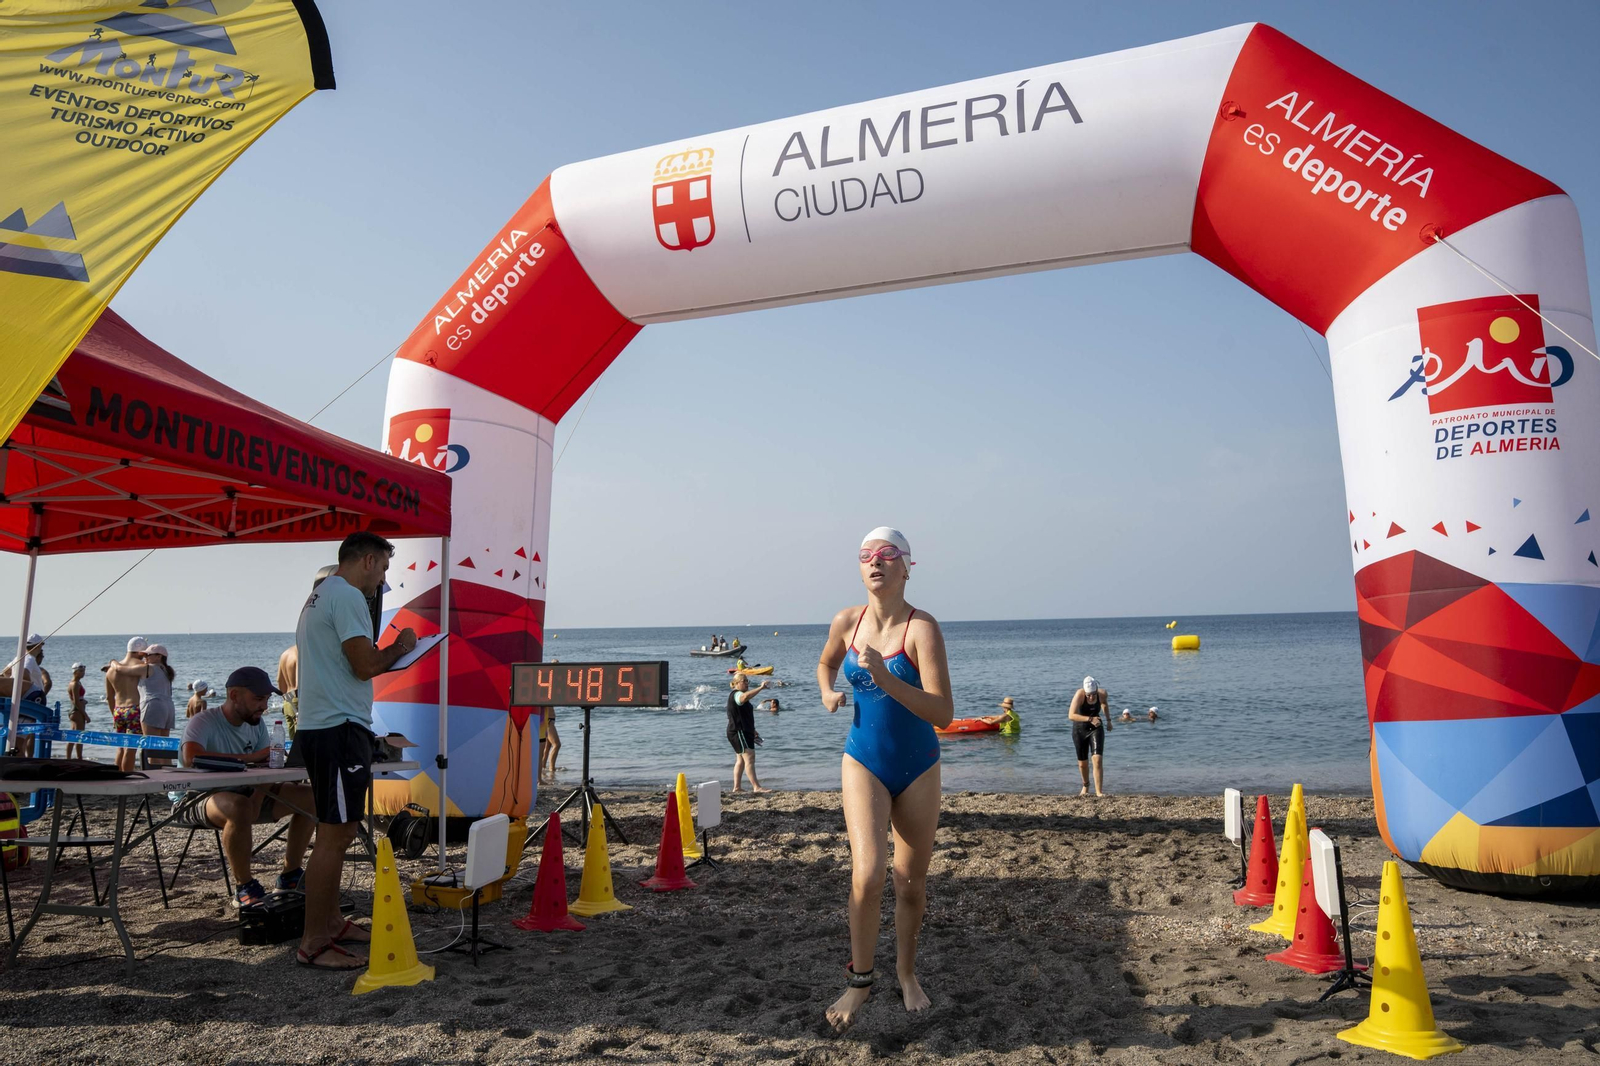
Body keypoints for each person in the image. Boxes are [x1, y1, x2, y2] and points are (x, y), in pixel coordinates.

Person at [816, 527, 952, 1031]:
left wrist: (886, 677)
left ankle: (907, 972)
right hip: (863, 760)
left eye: (887, 554)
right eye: (866, 555)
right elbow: (826, 662)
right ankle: (860, 983)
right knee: (868, 874)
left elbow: (942, 712)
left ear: (906, 567)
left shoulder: (922, 629)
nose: (875, 561)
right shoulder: (847, 622)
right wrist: (829, 691)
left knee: (910, 884)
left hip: (918, 766)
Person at [293, 532, 416, 971]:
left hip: (323, 725)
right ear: (367, 560)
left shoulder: (321, 593)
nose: (382, 580)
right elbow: (364, 665)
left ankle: (331, 922)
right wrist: (401, 648)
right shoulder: (346, 597)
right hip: (338, 727)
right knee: (336, 834)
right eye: (383, 568)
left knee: (337, 831)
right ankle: (314, 941)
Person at [181, 667, 319, 907]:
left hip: (249, 794)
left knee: (311, 798)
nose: (264, 706)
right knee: (239, 806)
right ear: (234, 696)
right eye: (258, 699)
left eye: (266, 699)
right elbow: (192, 757)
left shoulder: (257, 724)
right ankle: (244, 887)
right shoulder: (203, 720)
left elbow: (266, 766)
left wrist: (257, 797)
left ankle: (290, 875)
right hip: (198, 797)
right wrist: (251, 758)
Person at [105, 636, 151, 772]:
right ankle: (127, 777)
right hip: (134, 709)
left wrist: (114, 713)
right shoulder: (141, 667)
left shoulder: (110, 670)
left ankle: (116, 777)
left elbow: (109, 696)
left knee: (120, 747)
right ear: (140, 652)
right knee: (131, 748)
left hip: (118, 709)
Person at [1068, 676, 1112, 797]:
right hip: (1080, 729)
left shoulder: (1102, 694)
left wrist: (1108, 721)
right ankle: (1086, 785)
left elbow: (1104, 704)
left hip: (1096, 727)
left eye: (1093, 694)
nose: (1091, 697)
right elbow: (1071, 715)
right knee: (1083, 763)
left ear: (1096, 690)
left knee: (1097, 759)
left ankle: (1099, 792)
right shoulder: (1079, 694)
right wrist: (1090, 719)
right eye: (1088, 695)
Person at [727, 674, 771, 793]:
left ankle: (737, 788)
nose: (747, 683)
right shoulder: (737, 694)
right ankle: (756, 787)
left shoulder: (739, 695)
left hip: (741, 730)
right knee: (750, 757)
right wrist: (761, 688)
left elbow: (743, 716)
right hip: (739, 731)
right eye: (744, 681)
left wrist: (752, 729)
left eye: (747, 681)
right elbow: (744, 697)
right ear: (736, 683)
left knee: (741, 760)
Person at [140, 643, 178, 767]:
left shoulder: (149, 668)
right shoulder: (166, 670)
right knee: (164, 748)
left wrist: (113, 664)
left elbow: (124, 669)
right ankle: (168, 780)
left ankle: (153, 779)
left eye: (148, 655)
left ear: (158, 657)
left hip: (153, 705)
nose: (145, 657)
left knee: (152, 747)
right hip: (168, 707)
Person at [65, 663, 88, 759]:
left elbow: (78, 699)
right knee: (79, 736)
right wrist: (85, 715)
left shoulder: (77, 683)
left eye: (84, 671)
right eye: (81, 671)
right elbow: (76, 701)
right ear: (75, 672)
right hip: (77, 711)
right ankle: (79, 758)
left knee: (73, 735)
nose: (83, 673)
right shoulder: (74, 684)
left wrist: (84, 700)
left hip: (76, 711)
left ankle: (69, 758)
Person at [276, 645, 299, 737]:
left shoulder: (284, 654)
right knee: (303, 742)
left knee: (293, 740)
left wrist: (288, 701)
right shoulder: (301, 653)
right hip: (299, 701)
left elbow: (279, 680)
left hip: (287, 701)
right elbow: (299, 682)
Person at [540, 705, 560, 780]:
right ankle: (552, 769)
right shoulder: (544, 694)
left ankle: (542, 769)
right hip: (547, 719)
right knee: (557, 744)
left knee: (547, 747)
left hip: (550, 719)